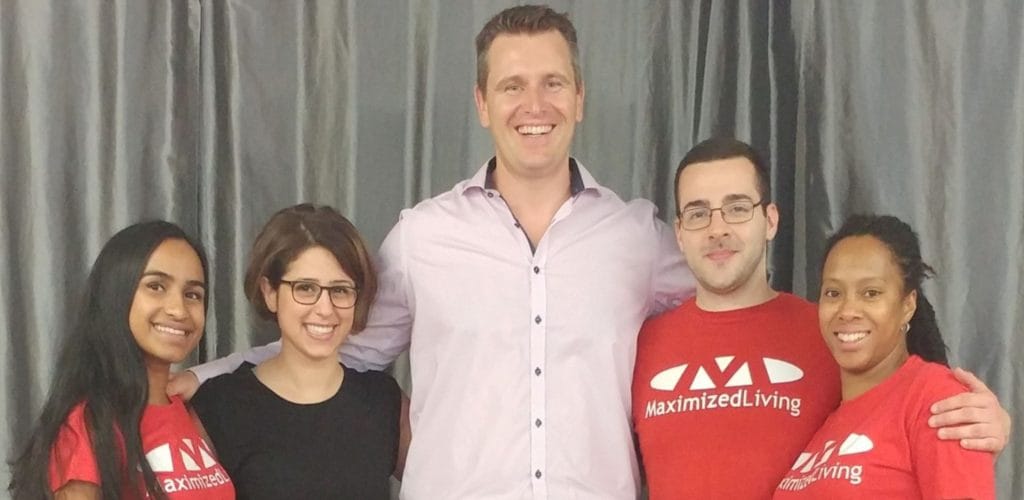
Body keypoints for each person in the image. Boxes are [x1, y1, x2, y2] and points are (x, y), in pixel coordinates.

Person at [172, 5, 694, 499]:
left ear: (579, 97)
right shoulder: (422, 238)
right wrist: (204, 377)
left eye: (552, 83)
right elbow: (331, 341)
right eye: (512, 86)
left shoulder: (638, 239)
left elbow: (724, 315)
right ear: (482, 103)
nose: (535, 105)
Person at [632, 138, 1009, 499]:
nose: (718, 229)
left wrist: (983, 426)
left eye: (738, 208)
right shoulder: (640, 345)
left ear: (771, 220)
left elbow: (915, 413)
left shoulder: (833, 333)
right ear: (679, 233)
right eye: (698, 214)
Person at [190, 204, 406, 499]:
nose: (325, 309)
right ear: (270, 292)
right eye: (305, 288)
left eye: (340, 290)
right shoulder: (219, 406)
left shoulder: (384, 401)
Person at [8, 221, 235, 499]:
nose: (179, 310)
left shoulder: (189, 412)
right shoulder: (88, 423)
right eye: (156, 286)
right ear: (116, 295)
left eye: (192, 294)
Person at [774, 214, 995, 498]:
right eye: (833, 292)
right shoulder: (828, 421)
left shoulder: (936, 399)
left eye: (871, 293)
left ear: (908, 305)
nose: (847, 310)